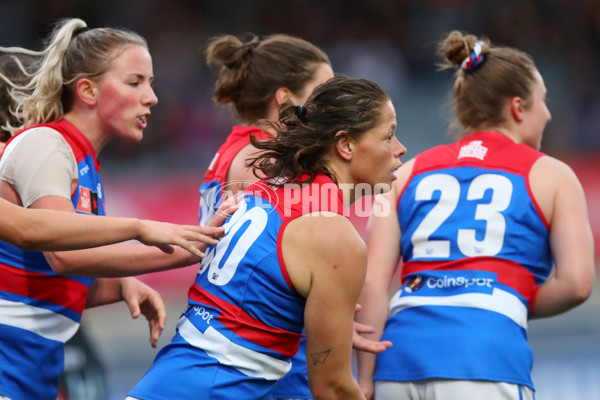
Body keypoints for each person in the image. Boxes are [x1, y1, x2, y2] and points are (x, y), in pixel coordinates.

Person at [128, 75, 406, 400]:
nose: (400, 148)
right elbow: (331, 387)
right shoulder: (333, 234)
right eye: (388, 136)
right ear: (345, 145)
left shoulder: (265, 188)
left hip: (171, 381)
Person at [356, 30, 595, 400]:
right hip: (484, 359)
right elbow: (578, 283)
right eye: (542, 101)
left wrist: (368, 381)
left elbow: (371, 285)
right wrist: (503, 300)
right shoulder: (553, 175)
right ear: (518, 107)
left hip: (398, 360)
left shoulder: (403, 174)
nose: (548, 113)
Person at [0, 18, 227, 400]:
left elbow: (50, 282)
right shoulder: (46, 145)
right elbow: (63, 255)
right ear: (87, 89)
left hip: (27, 374)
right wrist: (165, 239)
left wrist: (120, 285)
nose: (151, 97)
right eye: (135, 82)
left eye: (150, 83)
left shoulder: (82, 163)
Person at [198, 33, 391, 400]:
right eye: (320, 90)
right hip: (267, 355)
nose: (326, 103)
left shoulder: (235, 150)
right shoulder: (262, 161)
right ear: (285, 98)